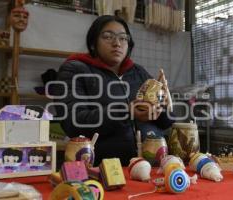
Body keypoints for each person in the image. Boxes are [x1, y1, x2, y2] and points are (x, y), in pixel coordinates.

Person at [53, 15, 174, 166]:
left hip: (151, 164)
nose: (117, 43)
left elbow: (166, 123)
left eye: (123, 38)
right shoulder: (75, 70)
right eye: (108, 37)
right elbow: (73, 122)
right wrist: (126, 111)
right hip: (103, 168)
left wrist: (164, 106)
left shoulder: (138, 72)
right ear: (93, 43)